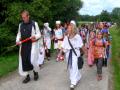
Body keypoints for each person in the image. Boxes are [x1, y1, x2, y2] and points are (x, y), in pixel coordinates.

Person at [16, 10, 41, 83]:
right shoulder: (20, 25)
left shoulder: (34, 24)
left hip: (32, 44)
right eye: (22, 18)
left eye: (24, 17)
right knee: (24, 60)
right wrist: (17, 40)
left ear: (28, 16)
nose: (23, 19)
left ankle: (35, 72)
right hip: (23, 45)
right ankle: (27, 76)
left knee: (32, 60)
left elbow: (39, 34)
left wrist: (35, 37)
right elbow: (18, 34)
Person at [61, 21, 83, 90]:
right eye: (67, 28)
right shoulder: (66, 37)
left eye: (69, 28)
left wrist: (87, 53)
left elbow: (81, 45)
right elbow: (63, 46)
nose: (67, 29)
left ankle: (73, 82)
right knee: (71, 67)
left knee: (74, 66)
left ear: (73, 29)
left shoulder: (77, 37)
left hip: (75, 53)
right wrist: (60, 54)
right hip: (68, 54)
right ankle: (77, 77)